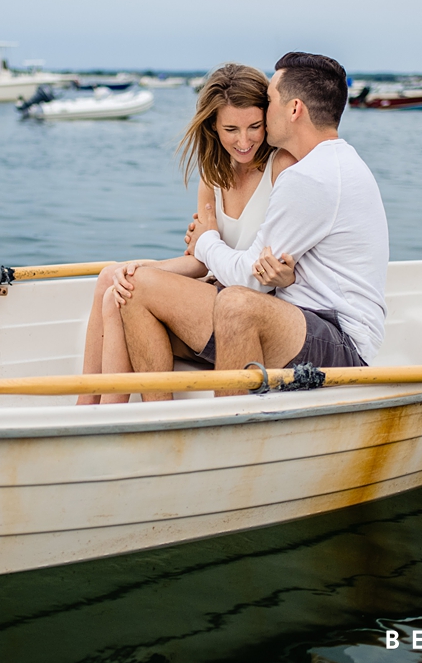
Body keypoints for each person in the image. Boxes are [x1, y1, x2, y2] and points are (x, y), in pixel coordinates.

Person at [119, 52, 389, 396]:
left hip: (341, 341)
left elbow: (251, 279)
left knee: (237, 302)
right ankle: (161, 425)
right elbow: (265, 268)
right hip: (295, 318)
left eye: (270, 100)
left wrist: (206, 241)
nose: (266, 108)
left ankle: (228, 433)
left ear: (294, 109)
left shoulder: (312, 176)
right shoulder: (328, 165)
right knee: (136, 288)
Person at [77, 63, 298, 404]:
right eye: (231, 129)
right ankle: (89, 409)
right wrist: (132, 269)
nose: (244, 141)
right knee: (112, 279)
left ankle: (126, 414)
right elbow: (199, 260)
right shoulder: (213, 175)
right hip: (216, 291)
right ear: (213, 126)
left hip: (252, 309)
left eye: (255, 126)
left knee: (129, 289)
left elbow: (269, 266)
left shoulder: (281, 167)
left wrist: (146, 275)